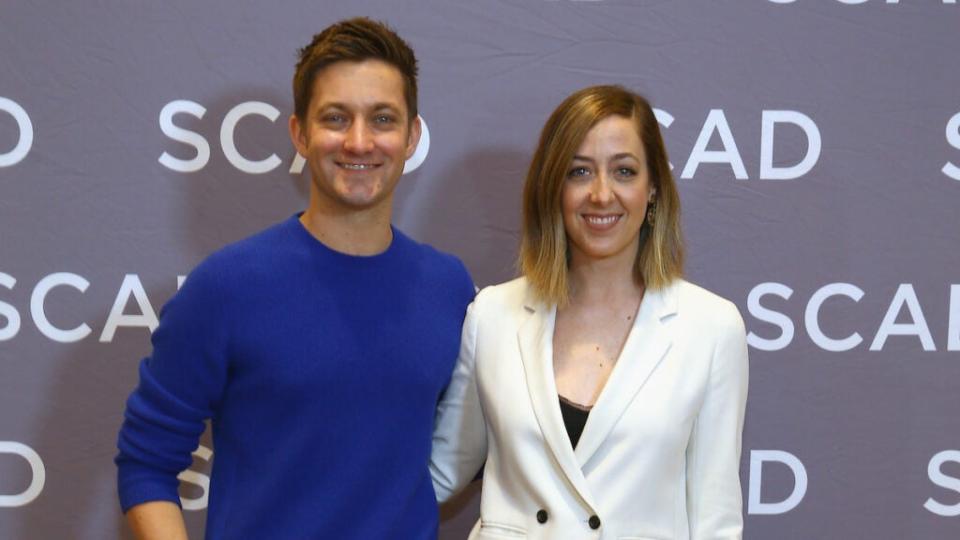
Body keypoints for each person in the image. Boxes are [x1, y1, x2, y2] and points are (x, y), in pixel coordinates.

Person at [115, 18, 475, 540]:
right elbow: (146, 463)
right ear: (300, 134)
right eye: (335, 118)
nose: (358, 141)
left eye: (382, 119)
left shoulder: (449, 287)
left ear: (412, 135)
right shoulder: (227, 287)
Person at [431, 85, 749, 539]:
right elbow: (441, 474)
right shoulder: (493, 315)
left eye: (624, 171)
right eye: (579, 172)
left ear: (653, 187)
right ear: (553, 188)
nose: (602, 194)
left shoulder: (712, 328)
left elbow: (714, 521)